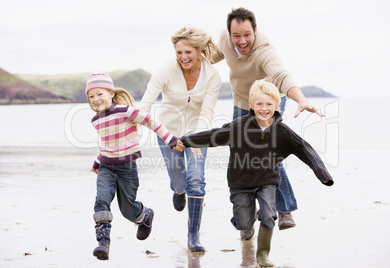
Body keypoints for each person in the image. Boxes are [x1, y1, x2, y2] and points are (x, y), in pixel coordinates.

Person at [175, 79, 334, 267]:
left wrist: (323, 174)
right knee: (243, 223)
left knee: (268, 215)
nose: (264, 108)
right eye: (259, 104)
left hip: (267, 181)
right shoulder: (238, 127)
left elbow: (304, 149)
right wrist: (186, 141)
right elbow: (213, 135)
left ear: (277, 106)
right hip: (240, 183)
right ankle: (246, 220)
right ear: (251, 105)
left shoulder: (282, 131)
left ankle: (263, 256)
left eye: (269, 104)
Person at [211, 7, 324, 234]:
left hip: (270, 100)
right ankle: (246, 214)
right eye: (237, 36)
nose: (242, 41)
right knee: (241, 153)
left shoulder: (264, 51)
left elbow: (281, 75)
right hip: (242, 100)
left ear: (255, 30)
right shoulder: (224, 39)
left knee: (267, 154)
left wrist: (300, 99)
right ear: (229, 33)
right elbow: (211, 56)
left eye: (247, 35)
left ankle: (284, 209)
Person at [139, 26, 221, 252]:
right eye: (179, 52)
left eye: (188, 52)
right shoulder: (165, 70)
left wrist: (197, 139)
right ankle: (178, 191)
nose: (183, 57)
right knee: (179, 181)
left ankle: (193, 236)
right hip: (168, 134)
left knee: (196, 179)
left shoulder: (212, 76)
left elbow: (207, 113)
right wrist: (131, 124)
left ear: (199, 51)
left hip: (198, 133)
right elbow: (146, 104)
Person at [85, 72, 179, 260]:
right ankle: (103, 242)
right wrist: (97, 162)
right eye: (91, 96)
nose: (95, 99)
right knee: (101, 200)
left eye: (99, 94)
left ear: (110, 93)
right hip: (106, 167)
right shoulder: (96, 121)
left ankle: (144, 216)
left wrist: (170, 140)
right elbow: (106, 143)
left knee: (128, 210)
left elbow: (151, 122)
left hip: (127, 168)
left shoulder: (125, 111)